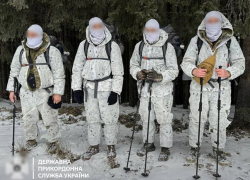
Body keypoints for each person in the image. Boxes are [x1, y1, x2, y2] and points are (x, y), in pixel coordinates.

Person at [181, 11, 245, 165]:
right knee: (196, 118)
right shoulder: (196, 41)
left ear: (222, 22)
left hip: (221, 87)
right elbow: (186, 61)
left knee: (219, 120)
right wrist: (193, 70)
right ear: (205, 22)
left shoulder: (230, 41)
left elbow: (240, 63)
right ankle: (194, 148)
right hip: (199, 86)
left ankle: (218, 150)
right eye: (210, 20)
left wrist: (228, 72)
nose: (213, 23)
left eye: (216, 20)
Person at [6, 24, 65, 153]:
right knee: (28, 118)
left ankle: (53, 141)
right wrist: (12, 90)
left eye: (33, 35)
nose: (30, 37)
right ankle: (31, 139)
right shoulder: (20, 50)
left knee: (50, 118)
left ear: (40, 35)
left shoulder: (52, 51)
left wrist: (58, 92)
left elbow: (59, 74)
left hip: (46, 91)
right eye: (29, 34)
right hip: (26, 92)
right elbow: (14, 71)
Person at [71, 17, 124, 160]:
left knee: (110, 119)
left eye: (99, 25)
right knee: (92, 118)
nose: (97, 28)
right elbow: (77, 69)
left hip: (107, 87)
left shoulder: (112, 46)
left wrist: (115, 91)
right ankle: (93, 145)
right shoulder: (84, 45)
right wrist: (76, 88)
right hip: (89, 88)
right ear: (89, 27)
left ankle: (111, 146)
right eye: (94, 26)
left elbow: (119, 72)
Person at [130, 19, 179, 161]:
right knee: (146, 118)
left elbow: (174, 70)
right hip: (144, 90)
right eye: (148, 30)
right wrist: (138, 73)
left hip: (162, 91)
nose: (150, 32)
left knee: (164, 120)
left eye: (153, 30)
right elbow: (133, 65)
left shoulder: (167, 47)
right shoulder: (139, 46)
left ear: (158, 30)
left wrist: (160, 76)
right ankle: (148, 143)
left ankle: (165, 147)